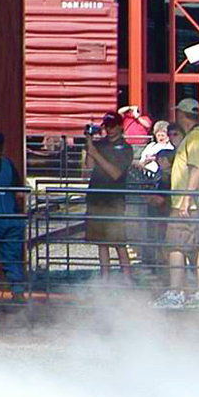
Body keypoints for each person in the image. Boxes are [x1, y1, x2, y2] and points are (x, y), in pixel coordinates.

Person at [159, 104, 199, 309]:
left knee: (175, 245)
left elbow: (196, 169)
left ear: (182, 115)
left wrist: (185, 199)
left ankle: (176, 292)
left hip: (191, 204)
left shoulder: (195, 138)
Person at [85, 113, 134, 280]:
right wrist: (89, 144)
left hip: (114, 200)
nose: (109, 129)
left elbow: (115, 173)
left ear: (120, 126)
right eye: (106, 126)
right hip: (97, 197)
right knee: (101, 242)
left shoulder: (126, 148)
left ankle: (126, 278)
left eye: (112, 126)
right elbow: (88, 168)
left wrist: (96, 154)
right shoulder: (100, 144)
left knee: (119, 241)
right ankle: (104, 277)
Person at [0, 129, 27, 301]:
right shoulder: (10, 165)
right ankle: (17, 292)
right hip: (12, 218)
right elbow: (19, 193)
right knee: (12, 257)